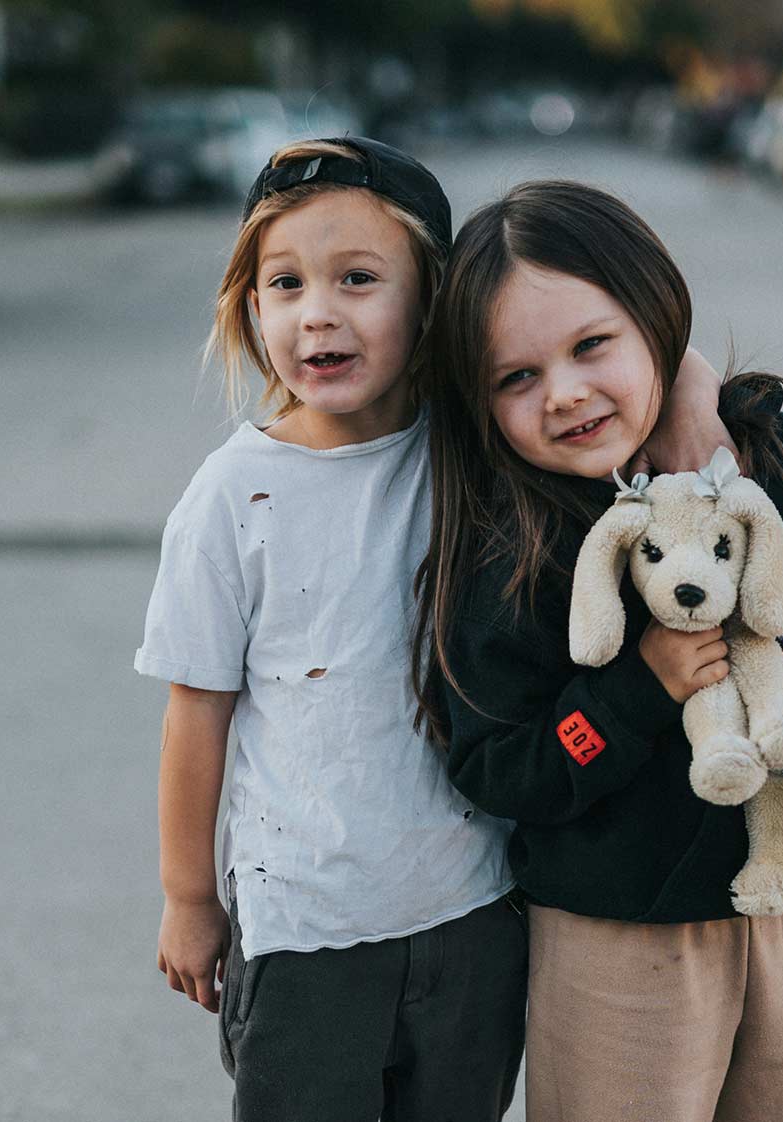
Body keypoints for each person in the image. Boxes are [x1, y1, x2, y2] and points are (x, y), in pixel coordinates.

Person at [134, 140, 728, 1121]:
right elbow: (195, 711)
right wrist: (188, 897)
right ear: (251, 311)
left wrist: (693, 405)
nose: (316, 311)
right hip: (305, 926)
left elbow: (646, 338)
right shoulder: (235, 497)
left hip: (475, 913)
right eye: (283, 284)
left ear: (438, 303)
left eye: (358, 279)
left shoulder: (473, 443)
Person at [414, 180, 783, 1122]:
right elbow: (498, 767)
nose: (563, 392)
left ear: (656, 320)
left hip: (779, 913)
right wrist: (636, 693)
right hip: (614, 944)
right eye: (515, 377)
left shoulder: (774, 460)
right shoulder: (513, 550)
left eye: (590, 346)